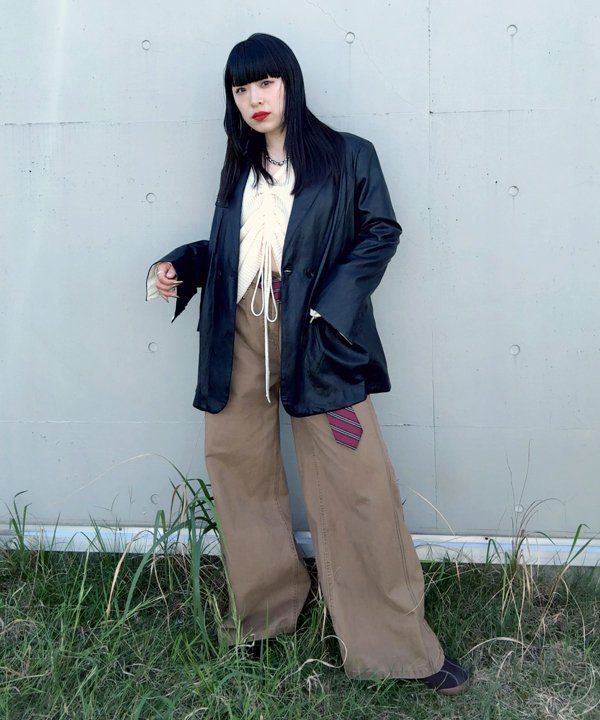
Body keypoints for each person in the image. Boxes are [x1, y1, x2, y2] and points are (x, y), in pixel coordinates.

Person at [146, 32, 470, 696]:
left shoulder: (348, 155)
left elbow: (381, 230)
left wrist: (328, 305)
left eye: (265, 83)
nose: (255, 99)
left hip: (316, 338)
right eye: (241, 89)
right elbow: (234, 250)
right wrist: (180, 264)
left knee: (356, 485)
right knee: (240, 474)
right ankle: (266, 620)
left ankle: (397, 647)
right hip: (239, 333)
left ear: (289, 82)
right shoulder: (239, 167)